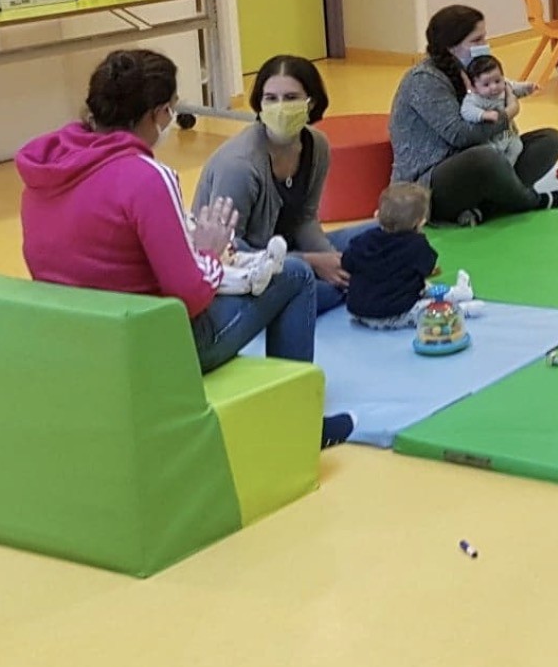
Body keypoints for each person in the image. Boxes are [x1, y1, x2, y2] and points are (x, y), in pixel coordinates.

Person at [18, 49, 350, 446]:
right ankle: (299, 424)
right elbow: (191, 295)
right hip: (152, 349)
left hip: (80, 340)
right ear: (158, 114)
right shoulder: (149, 178)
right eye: (171, 111)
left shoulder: (43, 172)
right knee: (295, 276)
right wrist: (208, 252)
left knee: (338, 251)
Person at [192, 54, 353, 314]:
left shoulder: (318, 145)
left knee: (376, 235)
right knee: (320, 286)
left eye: (291, 98)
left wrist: (333, 260)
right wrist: (313, 263)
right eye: (271, 98)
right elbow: (231, 249)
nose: (280, 106)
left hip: (290, 251)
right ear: (259, 103)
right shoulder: (240, 165)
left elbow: (305, 219)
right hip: (245, 271)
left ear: (311, 102)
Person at [390, 5, 558, 225]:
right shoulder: (424, 80)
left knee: (549, 140)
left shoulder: (472, 69)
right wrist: (507, 114)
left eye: (484, 38)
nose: (484, 46)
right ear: (451, 47)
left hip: (480, 158)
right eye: (476, 41)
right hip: (431, 179)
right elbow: (460, 135)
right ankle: (528, 200)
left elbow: (502, 90)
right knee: (485, 158)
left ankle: (485, 208)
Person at [341, 182, 478, 328]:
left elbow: (346, 262)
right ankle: (459, 310)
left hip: (359, 312)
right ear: (421, 222)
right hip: (395, 313)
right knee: (426, 309)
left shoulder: (362, 240)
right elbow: (428, 268)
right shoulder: (417, 245)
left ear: (377, 215)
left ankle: (458, 293)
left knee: (420, 287)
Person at [460, 52, 536, 166]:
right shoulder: (474, 98)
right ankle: (499, 171)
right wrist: (483, 114)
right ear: (474, 87)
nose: (494, 87)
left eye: (497, 81)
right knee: (492, 154)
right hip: (489, 140)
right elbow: (466, 111)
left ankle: (509, 168)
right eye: (486, 85)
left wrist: (528, 88)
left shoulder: (505, 87)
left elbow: (515, 88)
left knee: (517, 146)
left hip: (507, 135)